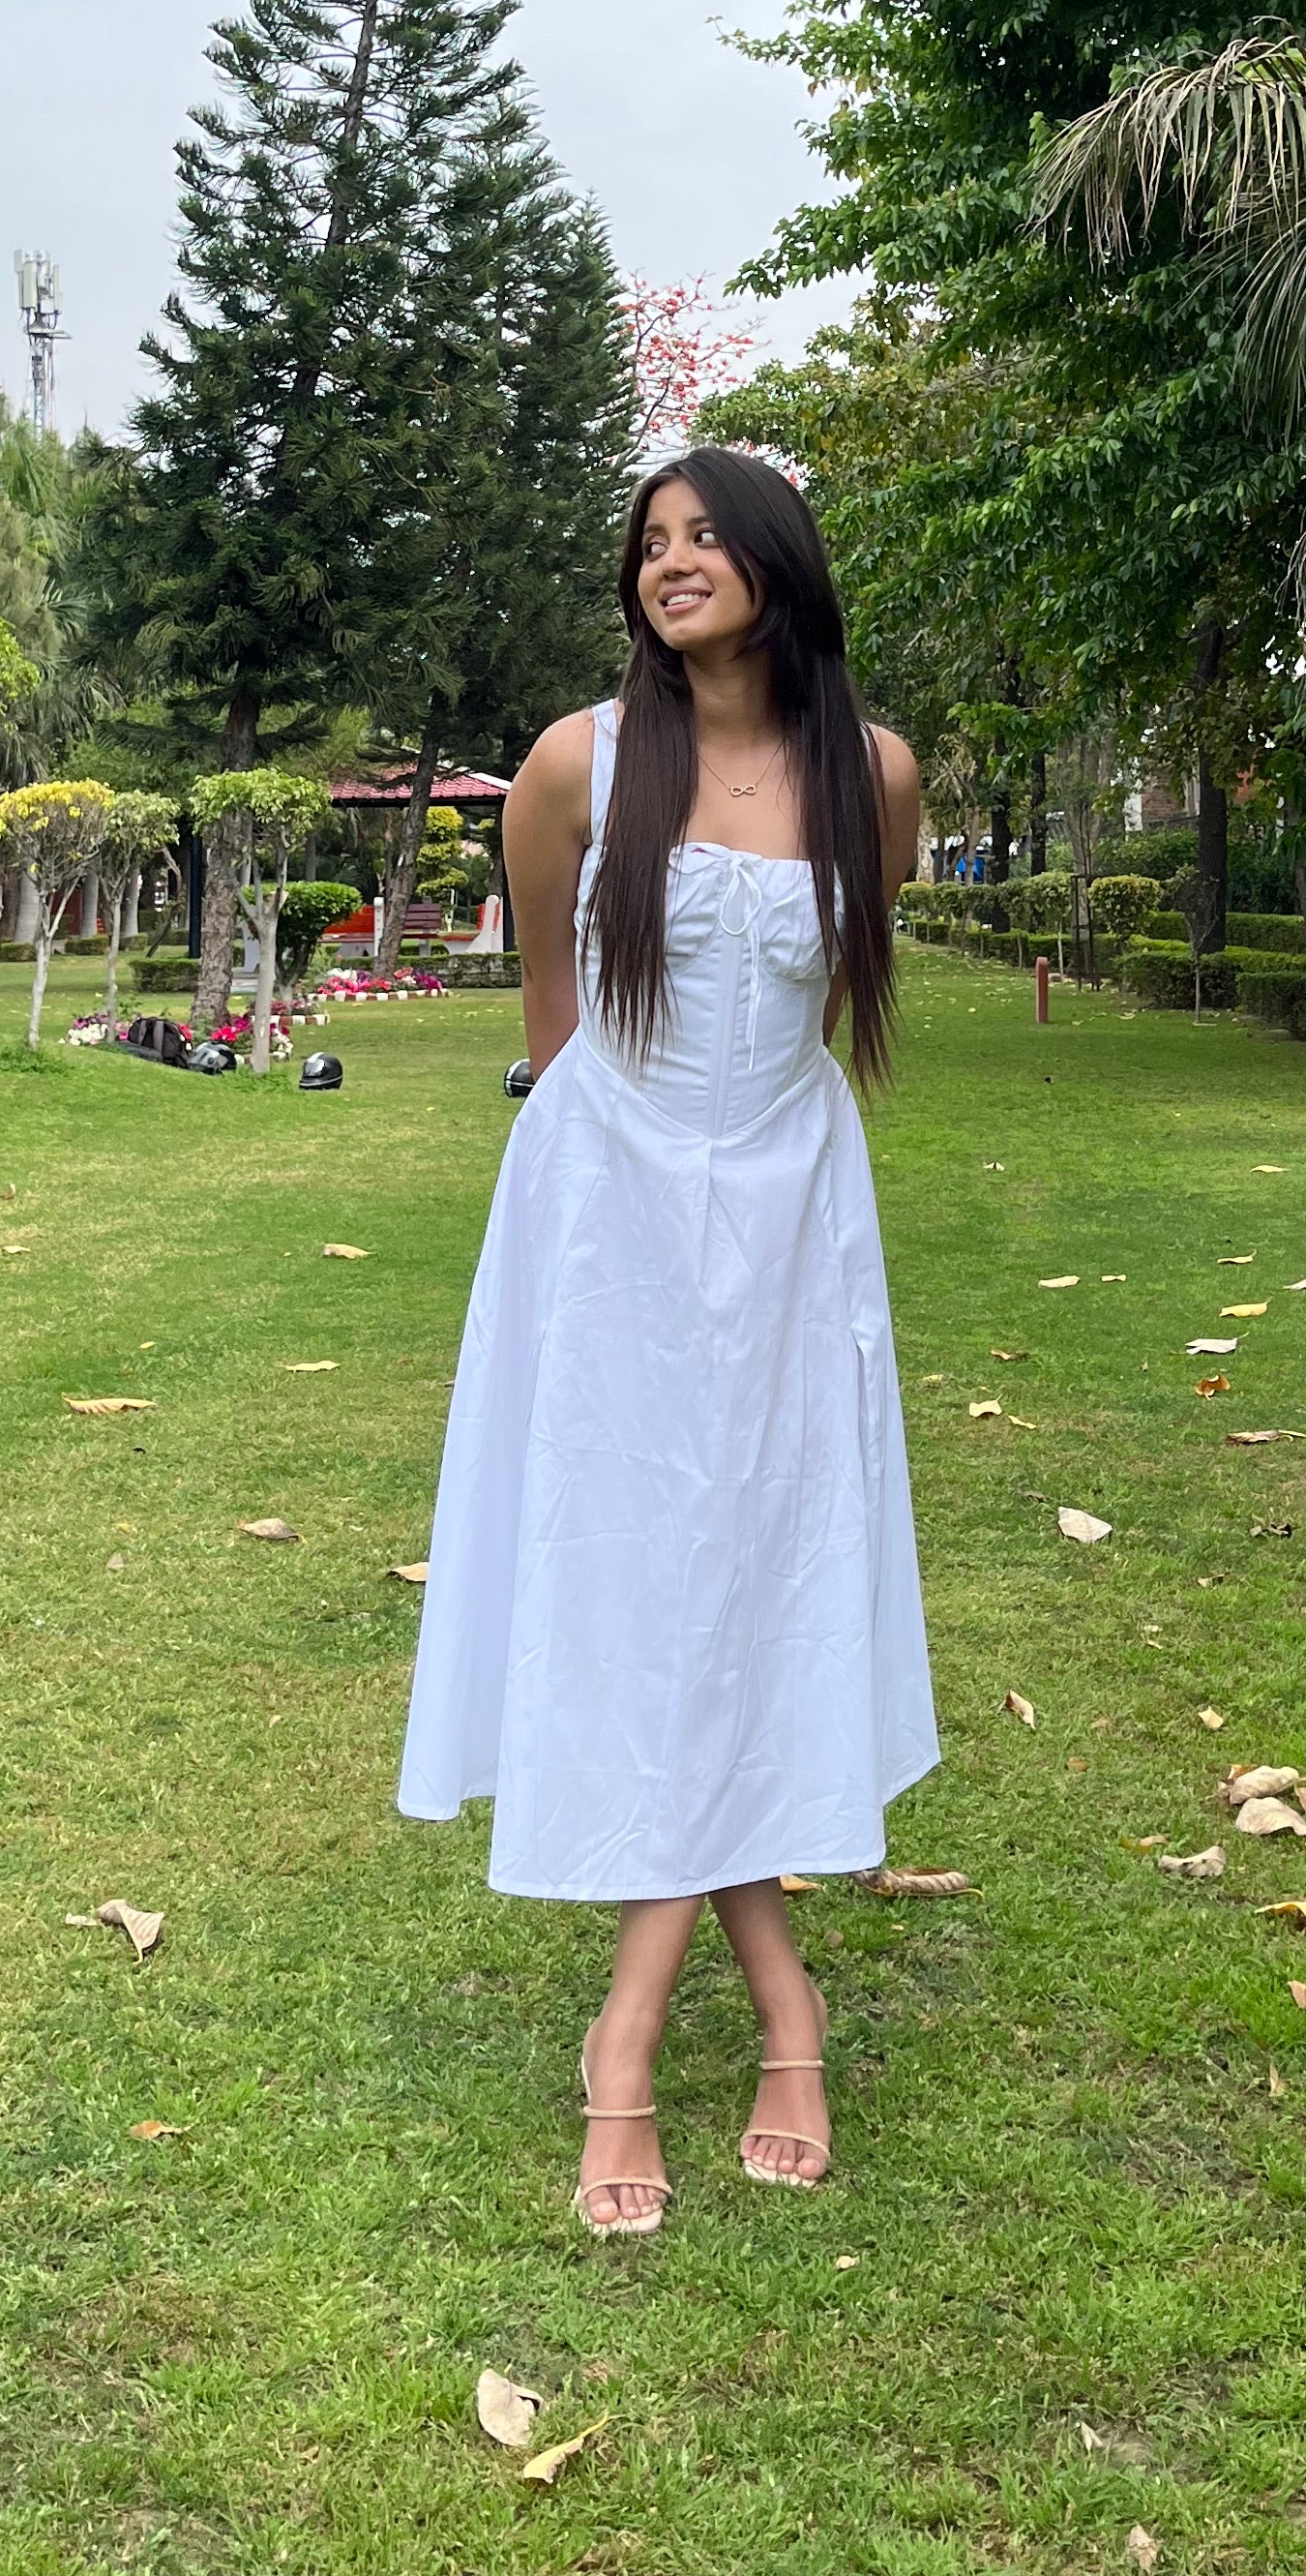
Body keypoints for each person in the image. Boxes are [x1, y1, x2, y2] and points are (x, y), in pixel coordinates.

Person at [397, 445, 935, 2233]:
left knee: (754, 1567)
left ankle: (666, 2025)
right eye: (650, 544)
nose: (674, 563)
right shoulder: (578, 765)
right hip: (609, 1217)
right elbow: (556, 1019)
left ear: (781, 561)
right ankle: (735, 2014)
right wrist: (606, 1190)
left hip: (792, 1215)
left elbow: (843, 979)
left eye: (707, 537)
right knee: (644, 1577)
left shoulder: (876, 778)